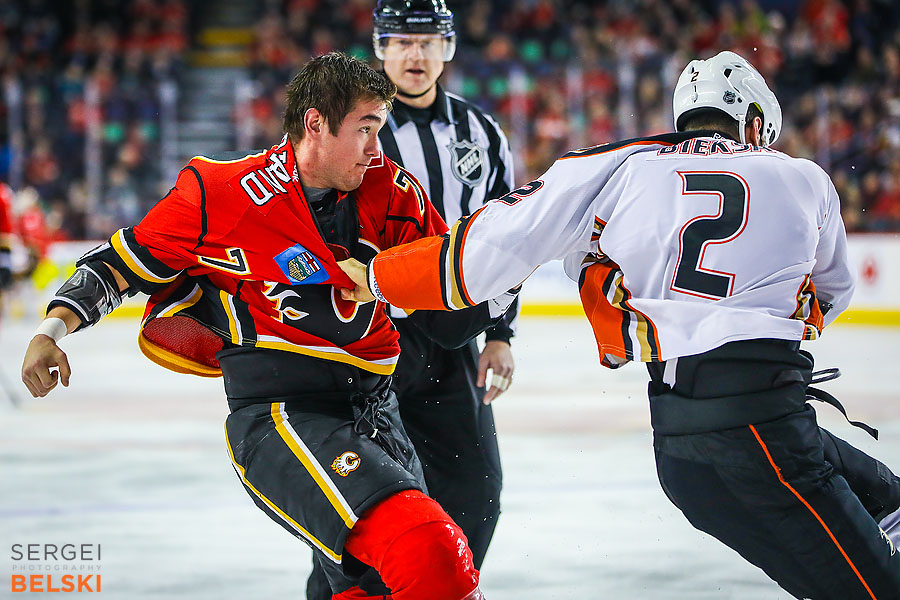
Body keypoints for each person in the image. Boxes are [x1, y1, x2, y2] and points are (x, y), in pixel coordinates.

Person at [339, 50, 900, 598]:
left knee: (884, 503)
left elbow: (487, 250)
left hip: (683, 447)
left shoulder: (623, 166)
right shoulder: (804, 179)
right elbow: (833, 293)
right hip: (768, 426)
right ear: (755, 123)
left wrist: (382, 276)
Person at [21, 52, 516, 600]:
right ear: (314, 124)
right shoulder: (221, 193)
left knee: (372, 586)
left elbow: (448, 311)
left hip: (378, 412)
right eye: (366, 129)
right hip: (282, 415)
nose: (378, 148)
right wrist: (51, 331)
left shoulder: (395, 192)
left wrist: (503, 276)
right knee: (429, 551)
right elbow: (117, 264)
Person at [307, 3, 516, 596]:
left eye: (427, 41)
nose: (415, 54)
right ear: (379, 49)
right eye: (400, 41)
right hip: (368, 339)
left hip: (451, 339)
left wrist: (499, 332)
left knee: (475, 492)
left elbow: (506, 238)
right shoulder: (346, 130)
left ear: (448, 48)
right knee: (359, 505)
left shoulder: (481, 132)